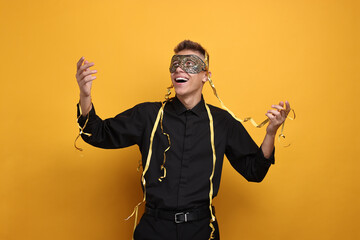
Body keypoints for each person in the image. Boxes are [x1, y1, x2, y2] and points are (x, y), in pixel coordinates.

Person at [75, 40, 291, 240]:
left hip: (201, 231)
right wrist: (85, 95)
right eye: (175, 64)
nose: (179, 69)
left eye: (189, 64)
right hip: (154, 230)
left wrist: (271, 133)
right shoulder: (148, 115)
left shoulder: (222, 122)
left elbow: (254, 171)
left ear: (206, 75)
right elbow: (97, 133)